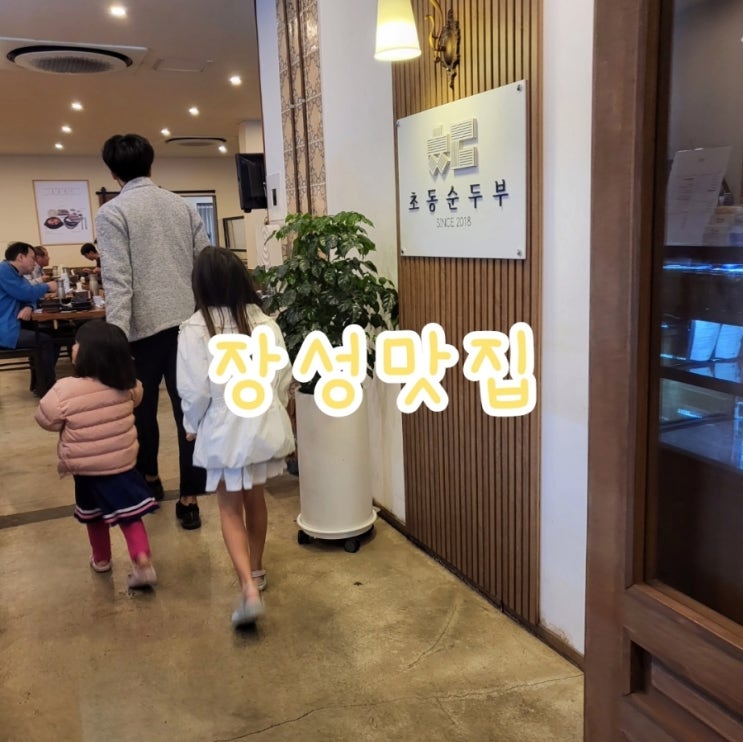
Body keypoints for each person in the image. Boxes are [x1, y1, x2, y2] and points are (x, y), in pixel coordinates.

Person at [95, 133, 209, 529]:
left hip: (140, 333)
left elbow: (118, 281)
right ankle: (190, 500)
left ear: (113, 172)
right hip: (187, 329)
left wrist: (115, 340)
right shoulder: (182, 207)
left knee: (141, 411)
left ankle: (150, 480)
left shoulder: (112, 213)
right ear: (151, 164)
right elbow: (203, 264)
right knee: (190, 413)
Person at [177, 247, 294, 626]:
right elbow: (282, 377)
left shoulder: (195, 328)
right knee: (255, 498)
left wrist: (191, 424)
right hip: (261, 423)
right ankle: (256, 570)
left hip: (223, 427)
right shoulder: (265, 323)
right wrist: (274, 410)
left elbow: (195, 389)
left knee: (229, 507)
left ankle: (248, 588)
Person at [35, 320, 159, 588]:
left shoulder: (64, 389)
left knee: (93, 516)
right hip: (123, 466)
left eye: (76, 344)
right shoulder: (127, 384)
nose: (72, 347)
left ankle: (101, 559)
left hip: (86, 471)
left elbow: (46, 419)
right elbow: (138, 398)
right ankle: (142, 559)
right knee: (129, 515)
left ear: (86, 353)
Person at [0, 241, 58, 395]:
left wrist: (29, 307)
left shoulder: (15, 273)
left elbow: (29, 295)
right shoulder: (3, 270)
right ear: (20, 257)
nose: (35, 262)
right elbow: (25, 292)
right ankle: (47, 389)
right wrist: (48, 286)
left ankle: (40, 384)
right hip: (4, 328)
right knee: (45, 341)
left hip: (12, 323)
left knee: (51, 334)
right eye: (33, 258)